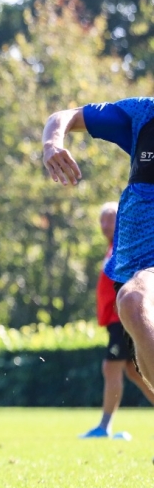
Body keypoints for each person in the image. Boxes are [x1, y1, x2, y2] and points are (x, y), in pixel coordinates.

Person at [43, 97, 154, 399]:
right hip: (141, 264)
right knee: (131, 302)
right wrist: (52, 145)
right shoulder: (144, 113)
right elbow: (63, 116)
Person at [80, 202, 154, 440]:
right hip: (114, 319)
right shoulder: (112, 248)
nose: (104, 225)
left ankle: (104, 426)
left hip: (122, 319)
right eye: (102, 220)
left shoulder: (127, 247)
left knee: (110, 367)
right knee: (135, 371)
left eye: (110, 219)